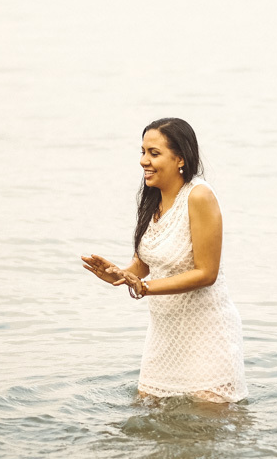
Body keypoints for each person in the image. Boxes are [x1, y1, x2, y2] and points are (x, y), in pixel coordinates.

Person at [82, 117, 247, 403]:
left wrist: (145, 288)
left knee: (207, 424)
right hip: (164, 337)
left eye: (154, 153)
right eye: (142, 152)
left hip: (207, 335)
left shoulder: (199, 196)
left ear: (180, 158)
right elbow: (144, 264)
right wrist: (120, 275)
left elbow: (207, 273)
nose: (143, 161)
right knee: (148, 420)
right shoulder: (151, 199)